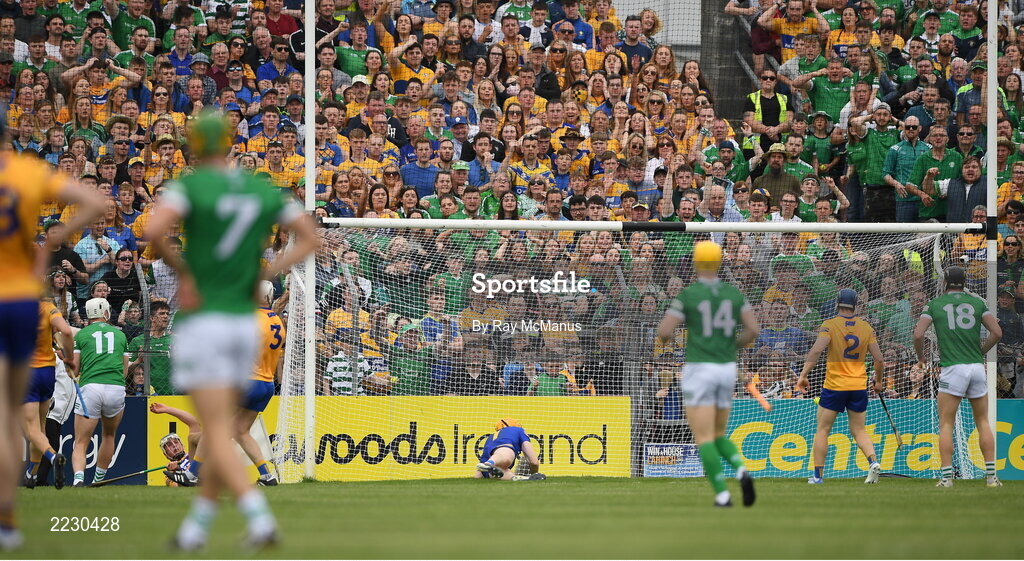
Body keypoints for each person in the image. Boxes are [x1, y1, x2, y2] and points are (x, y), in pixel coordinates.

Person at [144, 113, 318, 550]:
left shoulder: (194, 187)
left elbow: (152, 230)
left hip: (208, 317)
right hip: (246, 321)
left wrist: (185, 268)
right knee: (219, 430)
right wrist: (266, 270)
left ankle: (257, 518)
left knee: (214, 429)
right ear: (231, 146)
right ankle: (197, 526)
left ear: (196, 151)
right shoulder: (260, 188)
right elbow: (310, 238)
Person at [0, 125, 103, 551]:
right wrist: (58, 236)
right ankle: (9, 519)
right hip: (24, 298)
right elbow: (96, 200)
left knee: (11, 422)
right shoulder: (26, 172)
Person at [656, 241, 759, 508]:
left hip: (699, 367)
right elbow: (753, 330)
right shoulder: (734, 294)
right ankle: (741, 470)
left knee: (703, 437)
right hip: (726, 368)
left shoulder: (688, 295)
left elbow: (665, 332)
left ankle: (723, 495)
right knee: (718, 434)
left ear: (696, 262)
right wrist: (729, 345)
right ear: (720, 262)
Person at [913, 267, 1002, 488]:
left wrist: (921, 357)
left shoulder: (934, 305)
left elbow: (918, 334)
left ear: (944, 282)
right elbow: (997, 333)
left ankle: (946, 478)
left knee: (946, 424)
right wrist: (981, 352)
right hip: (975, 367)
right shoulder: (978, 303)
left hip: (953, 368)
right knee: (983, 422)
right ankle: (991, 477)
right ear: (964, 282)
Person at [795, 288, 884, 485]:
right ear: (855, 305)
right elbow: (878, 359)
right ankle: (873, 462)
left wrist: (803, 375)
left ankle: (817, 476)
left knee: (822, 430)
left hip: (835, 386)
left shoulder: (829, 325)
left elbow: (817, 349)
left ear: (837, 303)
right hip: (858, 385)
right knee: (859, 431)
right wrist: (878, 381)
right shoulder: (866, 327)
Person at [70, 298, 129, 487]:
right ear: (105, 312)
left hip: (91, 388)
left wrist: (67, 364)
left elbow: (75, 370)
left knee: (81, 441)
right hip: (115, 388)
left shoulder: (81, 335)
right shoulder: (120, 336)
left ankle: (78, 479)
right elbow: (125, 371)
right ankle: (98, 480)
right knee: (109, 436)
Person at [22, 296, 74, 490]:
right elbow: (67, 331)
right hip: (48, 372)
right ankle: (31, 474)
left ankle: (53, 457)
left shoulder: (15, 310)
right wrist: (69, 358)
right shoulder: (47, 307)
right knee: (40, 429)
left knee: (32, 430)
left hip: (26, 372)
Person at [237, 281, 284, 487]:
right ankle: (266, 475)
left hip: (248, 380)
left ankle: (193, 472)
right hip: (267, 384)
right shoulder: (277, 320)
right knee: (239, 430)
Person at [475, 417, 541, 480]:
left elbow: (480, 471)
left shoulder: (490, 437)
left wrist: (478, 475)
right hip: (503, 453)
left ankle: (518, 478)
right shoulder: (519, 430)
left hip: (488, 472)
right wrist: (534, 474)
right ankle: (489, 463)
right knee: (506, 458)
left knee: (504, 472)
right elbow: (534, 462)